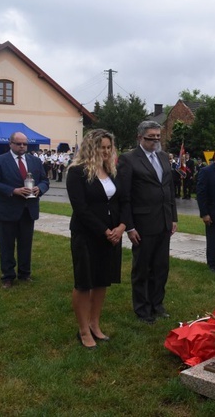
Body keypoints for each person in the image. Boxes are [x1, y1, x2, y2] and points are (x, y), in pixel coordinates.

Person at [66, 130, 125, 349]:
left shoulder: (112, 171)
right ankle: (83, 330)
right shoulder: (77, 172)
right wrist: (104, 230)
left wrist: (121, 227)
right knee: (84, 282)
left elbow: (121, 202)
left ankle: (94, 324)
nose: (107, 151)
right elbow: (80, 208)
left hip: (111, 236)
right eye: (102, 147)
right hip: (86, 235)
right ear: (92, 148)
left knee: (102, 280)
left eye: (109, 147)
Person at [117, 121, 178, 324]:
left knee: (161, 267)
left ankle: (156, 304)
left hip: (163, 221)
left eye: (157, 137)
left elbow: (169, 189)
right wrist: (129, 226)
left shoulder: (163, 157)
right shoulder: (128, 159)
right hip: (142, 224)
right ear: (139, 137)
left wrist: (173, 217)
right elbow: (124, 196)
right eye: (150, 137)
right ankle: (142, 309)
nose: (154, 141)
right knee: (142, 268)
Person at [0, 132, 50, 289]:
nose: (22, 146)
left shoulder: (35, 161)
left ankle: (24, 274)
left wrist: (39, 189)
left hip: (28, 210)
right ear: (10, 144)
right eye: (19, 144)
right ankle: (7, 276)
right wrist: (13, 190)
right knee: (6, 245)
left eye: (25, 144)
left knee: (25, 244)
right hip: (6, 210)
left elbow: (45, 180)